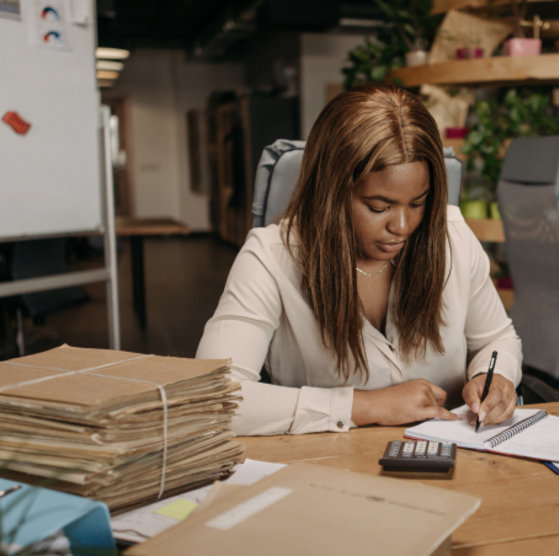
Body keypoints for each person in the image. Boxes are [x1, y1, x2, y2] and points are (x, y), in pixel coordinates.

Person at [196, 83, 522, 435]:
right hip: (326, 471)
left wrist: (496, 377)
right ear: (331, 193)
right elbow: (212, 401)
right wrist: (366, 405)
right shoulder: (270, 256)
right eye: (378, 207)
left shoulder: (451, 236)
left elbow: (497, 340)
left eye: (418, 203)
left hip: (456, 460)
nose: (402, 226)